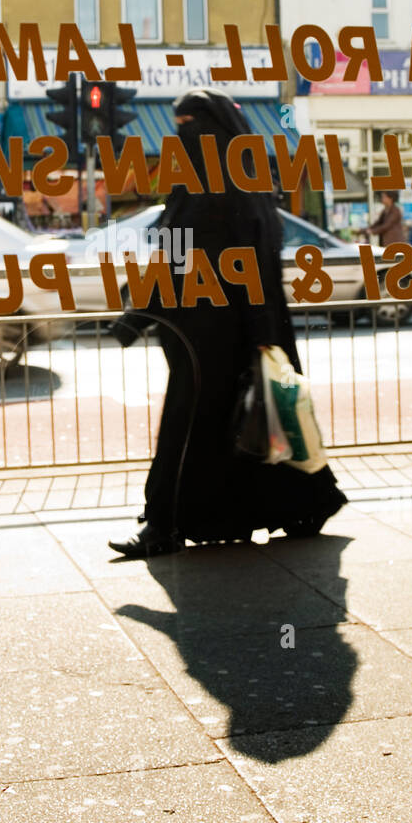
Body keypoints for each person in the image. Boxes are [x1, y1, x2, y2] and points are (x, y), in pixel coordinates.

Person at [107, 88, 348, 558]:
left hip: (206, 336)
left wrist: (132, 320)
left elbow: (176, 258)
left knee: (193, 428)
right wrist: (262, 336)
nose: (183, 135)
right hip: (242, 331)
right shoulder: (251, 181)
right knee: (258, 419)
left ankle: (164, 526)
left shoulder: (201, 185)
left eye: (190, 124)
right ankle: (305, 504)